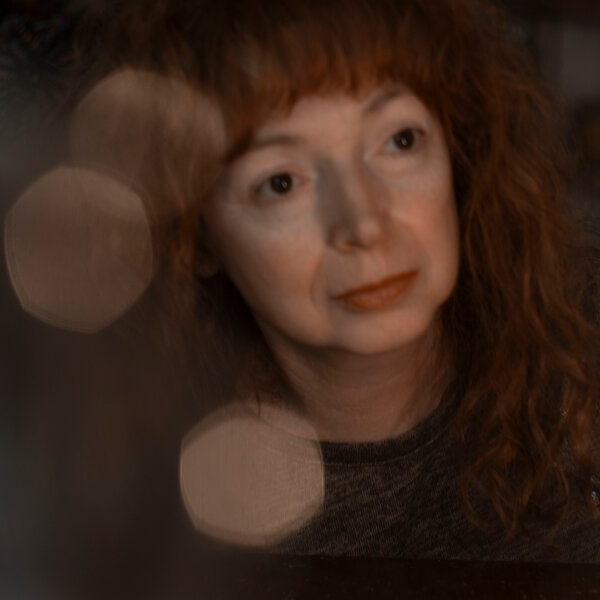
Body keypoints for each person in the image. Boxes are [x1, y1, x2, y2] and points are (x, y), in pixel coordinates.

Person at [9, 0, 600, 568]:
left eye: (400, 140)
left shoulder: (586, 335)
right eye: (281, 183)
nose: (363, 223)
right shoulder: (122, 481)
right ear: (197, 238)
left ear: (457, 148)